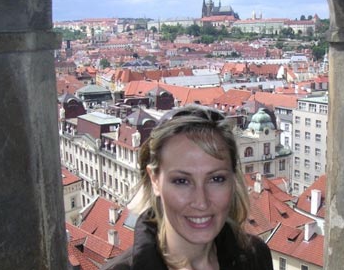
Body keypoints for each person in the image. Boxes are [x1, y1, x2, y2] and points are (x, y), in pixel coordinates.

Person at [102, 105, 272, 270]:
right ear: (155, 180)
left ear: (233, 181)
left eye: (216, 178)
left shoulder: (255, 257)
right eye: (182, 181)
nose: (201, 202)